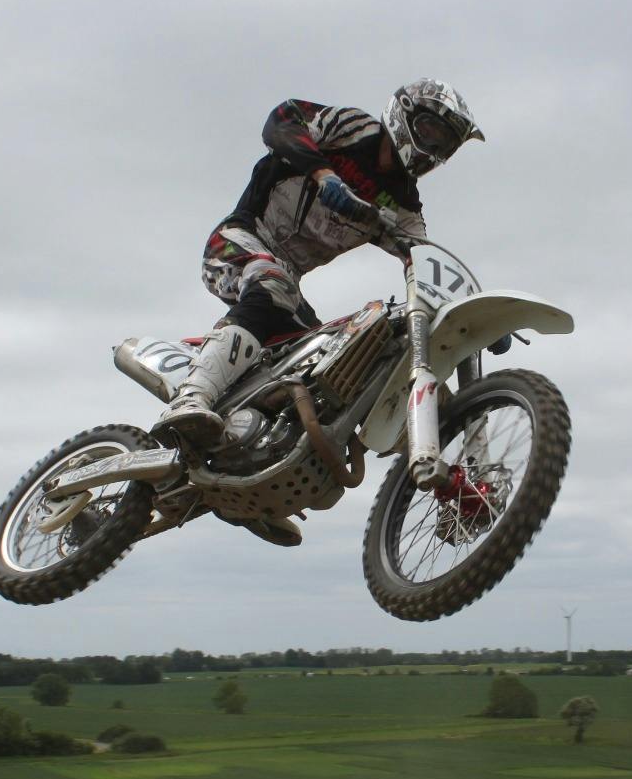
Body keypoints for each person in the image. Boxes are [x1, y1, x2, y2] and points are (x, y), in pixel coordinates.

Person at [153, 80, 486, 547]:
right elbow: (282, 120)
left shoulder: (405, 204)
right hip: (239, 242)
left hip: (288, 284)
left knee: (329, 375)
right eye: (428, 130)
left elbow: (422, 256)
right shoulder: (354, 129)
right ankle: (192, 398)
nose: (431, 147)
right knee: (271, 285)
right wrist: (324, 175)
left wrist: (465, 308)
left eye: (443, 143)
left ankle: (250, 476)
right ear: (405, 115)